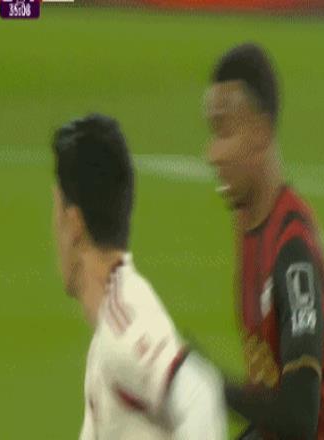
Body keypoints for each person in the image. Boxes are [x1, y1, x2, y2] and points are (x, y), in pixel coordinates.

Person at [204, 43, 324, 440]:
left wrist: (206, 385)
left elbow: (299, 418)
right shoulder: (248, 223)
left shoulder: (292, 253)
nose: (212, 154)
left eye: (224, 133)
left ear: (260, 135)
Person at [51, 113, 227, 440]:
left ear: (74, 224)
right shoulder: (110, 328)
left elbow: (200, 395)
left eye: (56, 210)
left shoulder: (123, 324)